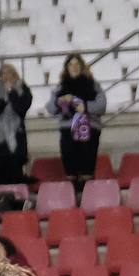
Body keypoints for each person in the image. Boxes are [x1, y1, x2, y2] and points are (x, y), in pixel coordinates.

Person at [51, 54, 106, 186]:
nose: (74, 67)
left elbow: (101, 105)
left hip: (88, 126)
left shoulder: (93, 85)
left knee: (86, 168)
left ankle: (87, 196)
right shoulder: (61, 86)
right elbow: (51, 108)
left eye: (77, 64)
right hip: (67, 128)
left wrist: (85, 107)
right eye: (71, 64)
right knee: (70, 169)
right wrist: (60, 101)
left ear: (82, 67)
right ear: (66, 68)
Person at [0, 62, 33, 186]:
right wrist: (2, 98)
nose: (6, 77)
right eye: (2, 74)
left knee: (16, 177)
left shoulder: (24, 90)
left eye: (9, 73)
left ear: (15, 75)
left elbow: (21, 109)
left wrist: (11, 93)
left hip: (16, 140)